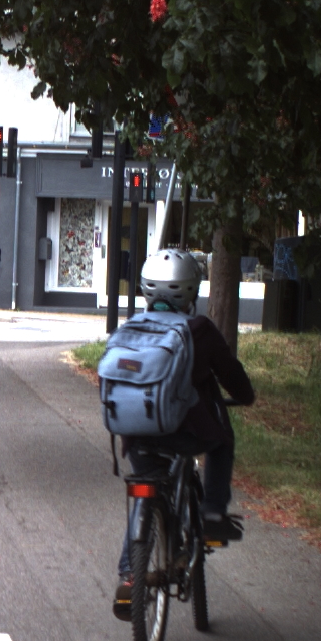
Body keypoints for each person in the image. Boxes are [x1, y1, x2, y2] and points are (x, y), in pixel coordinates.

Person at [113, 248, 256, 616]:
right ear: (192, 289)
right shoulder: (199, 330)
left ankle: (130, 576)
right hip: (184, 432)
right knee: (222, 441)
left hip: (136, 434)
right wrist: (245, 396)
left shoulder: (130, 328)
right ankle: (212, 514)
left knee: (146, 488)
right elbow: (231, 374)